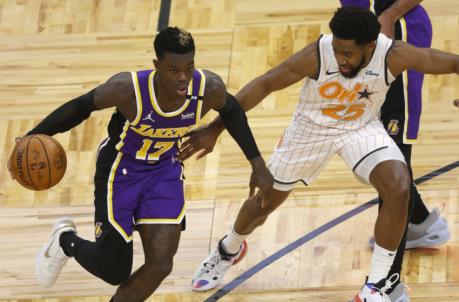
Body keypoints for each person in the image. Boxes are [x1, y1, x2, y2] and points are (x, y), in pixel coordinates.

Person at [179, 7, 459, 302]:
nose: (341, 59)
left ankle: (376, 285)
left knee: (400, 186)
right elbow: (265, 83)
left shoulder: (394, 54)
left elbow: (452, 62)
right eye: (337, 50)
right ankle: (228, 248)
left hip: (360, 129)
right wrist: (215, 127)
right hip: (309, 131)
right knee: (264, 203)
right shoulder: (317, 54)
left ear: (370, 46)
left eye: (348, 54)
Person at [7, 27, 273, 302]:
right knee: (115, 270)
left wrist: (257, 163)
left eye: (189, 67)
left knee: (160, 263)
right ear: (157, 66)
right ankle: (65, 241)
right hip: (120, 169)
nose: (183, 77)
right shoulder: (127, 89)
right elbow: (80, 107)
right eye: (173, 70)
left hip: (164, 171)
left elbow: (231, 110)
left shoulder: (208, 88)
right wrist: (31, 137)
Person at [340, 0, 451, 300]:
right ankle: (418, 222)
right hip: (366, 32)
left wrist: (389, 15)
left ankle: (388, 285)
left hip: (395, 29)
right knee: (383, 152)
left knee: (390, 162)